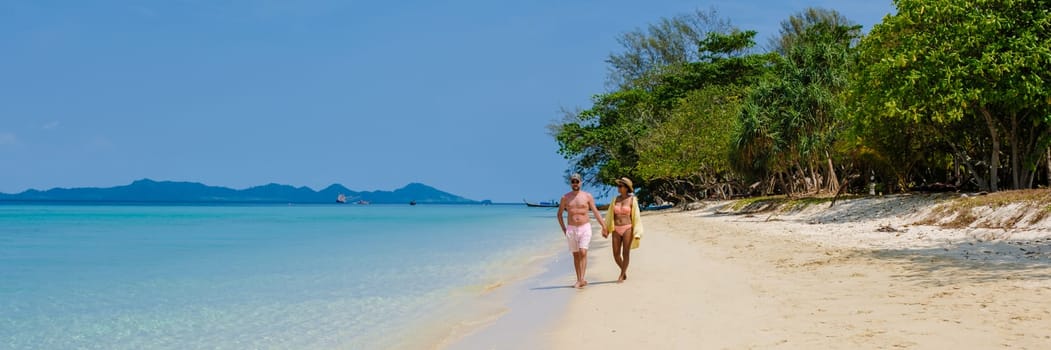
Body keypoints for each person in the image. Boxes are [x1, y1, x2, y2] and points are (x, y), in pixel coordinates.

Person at [557, 173, 607, 289]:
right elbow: (559, 214)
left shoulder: (587, 196)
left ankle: (581, 279)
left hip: (585, 227)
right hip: (571, 228)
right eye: (573, 181)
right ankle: (579, 279)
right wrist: (564, 229)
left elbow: (595, 212)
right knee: (575, 254)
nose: (575, 184)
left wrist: (604, 226)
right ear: (571, 183)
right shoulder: (565, 197)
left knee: (583, 252)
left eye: (577, 181)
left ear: (581, 183)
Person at [604, 177, 643, 283]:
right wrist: (606, 228)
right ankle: (624, 271)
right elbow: (609, 215)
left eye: (621, 186)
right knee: (616, 254)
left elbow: (636, 216)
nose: (618, 188)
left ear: (626, 188)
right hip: (616, 228)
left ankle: (621, 275)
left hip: (627, 228)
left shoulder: (632, 200)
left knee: (625, 253)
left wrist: (637, 232)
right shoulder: (615, 200)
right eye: (618, 186)